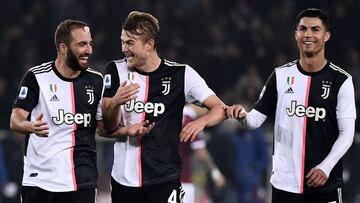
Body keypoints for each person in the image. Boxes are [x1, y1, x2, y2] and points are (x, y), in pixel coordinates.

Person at [226, 8, 356, 203]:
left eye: (315, 29)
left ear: (326, 35)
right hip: (285, 185)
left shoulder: (341, 81)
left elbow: (347, 133)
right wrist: (242, 115)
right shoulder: (280, 76)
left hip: (325, 183)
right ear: (296, 34)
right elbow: (253, 121)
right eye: (303, 29)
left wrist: (326, 167)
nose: (308, 34)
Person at [102, 11, 227, 203]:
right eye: (122, 41)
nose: (123, 48)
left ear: (149, 44)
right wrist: (114, 103)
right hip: (124, 179)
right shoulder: (115, 70)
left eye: (130, 43)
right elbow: (109, 127)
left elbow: (220, 109)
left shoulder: (182, 74)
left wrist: (201, 121)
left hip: (165, 179)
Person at [10, 19, 105, 203]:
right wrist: (29, 125)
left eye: (90, 44)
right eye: (82, 44)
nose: (89, 50)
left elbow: (103, 128)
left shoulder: (96, 81)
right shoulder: (36, 77)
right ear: (63, 48)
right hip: (40, 180)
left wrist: (115, 106)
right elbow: (15, 119)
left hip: (81, 180)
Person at [179, 104, 226, 203]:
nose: (208, 112)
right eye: (208, 107)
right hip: (182, 180)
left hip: (161, 177)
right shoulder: (191, 122)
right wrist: (216, 174)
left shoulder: (171, 116)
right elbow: (201, 152)